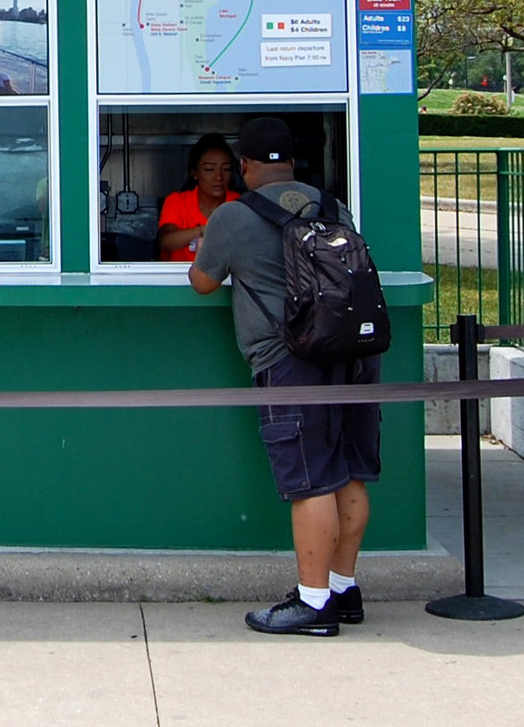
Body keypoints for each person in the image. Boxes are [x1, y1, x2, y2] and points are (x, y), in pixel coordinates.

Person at [187, 117, 376, 637]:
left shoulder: (233, 216)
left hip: (291, 362)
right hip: (354, 357)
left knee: (312, 482)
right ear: (292, 160)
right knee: (348, 474)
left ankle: (313, 606)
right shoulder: (335, 206)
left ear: (244, 165)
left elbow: (203, 282)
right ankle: (344, 590)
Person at [155, 133, 238, 261]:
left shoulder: (240, 203)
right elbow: (165, 242)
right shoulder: (177, 201)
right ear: (194, 172)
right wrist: (203, 231)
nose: (219, 177)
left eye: (226, 169)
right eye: (209, 169)